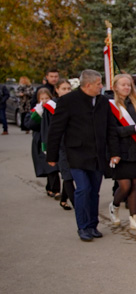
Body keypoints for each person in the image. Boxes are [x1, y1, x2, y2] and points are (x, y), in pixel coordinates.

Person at [45, 70, 120, 242]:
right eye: (98, 84)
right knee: (83, 189)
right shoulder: (67, 101)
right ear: (88, 85)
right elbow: (56, 130)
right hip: (77, 153)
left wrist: (114, 152)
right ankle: (83, 227)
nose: (101, 87)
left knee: (94, 191)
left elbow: (111, 129)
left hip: (97, 155)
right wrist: (52, 154)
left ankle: (93, 225)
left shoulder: (103, 102)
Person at [108, 74, 136, 231]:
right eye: (123, 85)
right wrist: (133, 128)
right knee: (125, 186)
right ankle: (114, 205)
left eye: (129, 85)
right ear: (115, 87)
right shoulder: (110, 105)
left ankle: (134, 218)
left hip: (135, 149)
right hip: (120, 151)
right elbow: (112, 130)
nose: (126, 88)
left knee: (135, 184)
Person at [25, 88, 58, 196]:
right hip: (40, 141)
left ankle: (54, 188)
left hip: (51, 140)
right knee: (48, 166)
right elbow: (29, 125)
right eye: (42, 98)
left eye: (46, 98)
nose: (44, 101)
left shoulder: (54, 108)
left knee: (53, 167)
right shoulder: (35, 111)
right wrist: (38, 115)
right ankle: (52, 188)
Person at [52, 79, 75, 210]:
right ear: (57, 90)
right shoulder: (52, 106)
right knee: (67, 175)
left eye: (68, 88)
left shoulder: (74, 104)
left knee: (71, 174)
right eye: (63, 89)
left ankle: (63, 199)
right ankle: (77, 205)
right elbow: (49, 130)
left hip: (73, 144)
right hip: (60, 145)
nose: (66, 91)